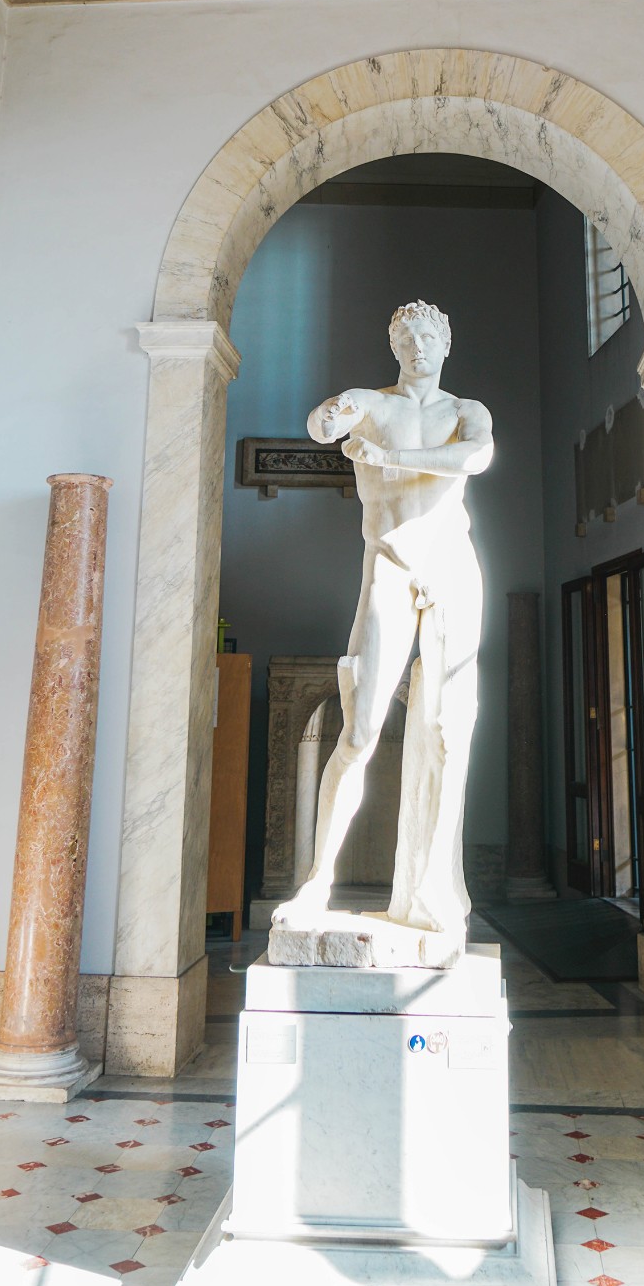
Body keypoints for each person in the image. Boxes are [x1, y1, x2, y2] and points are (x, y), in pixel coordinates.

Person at [273, 300, 493, 943]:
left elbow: (476, 458)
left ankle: (432, 889)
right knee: (361, 731)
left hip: (451, 566)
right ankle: (318, 881)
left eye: (429, 335)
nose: (419, 346)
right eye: (407, 337)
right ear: (394, 346)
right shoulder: (373, 404)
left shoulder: (465, 412)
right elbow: (322, 427)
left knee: (449, 731)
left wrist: (390, 460)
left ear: (446, 344)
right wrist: (334, 414)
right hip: (391, 564)